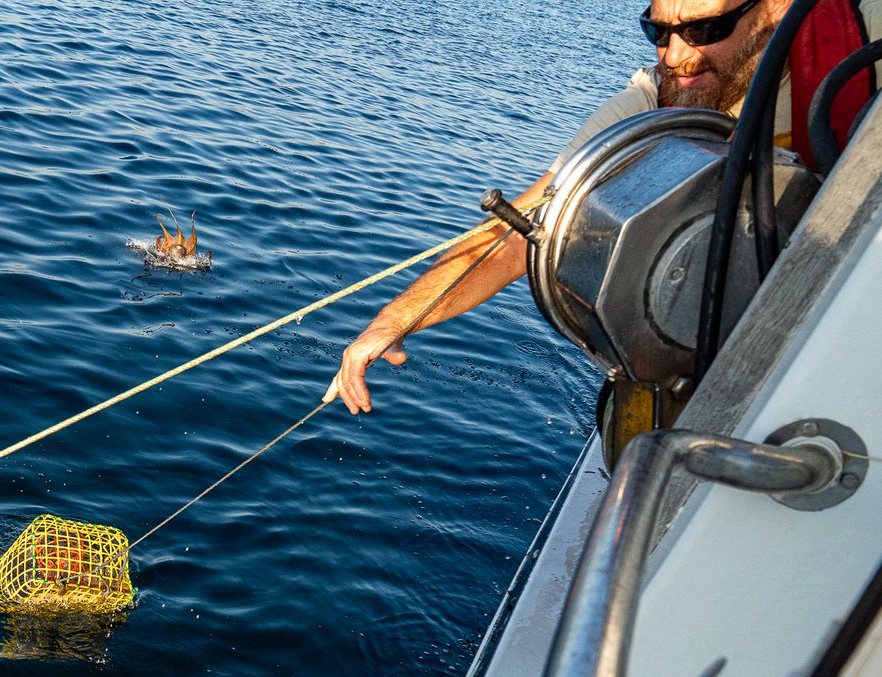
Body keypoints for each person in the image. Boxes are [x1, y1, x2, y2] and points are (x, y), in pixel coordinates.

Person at [323, 0, 881, 415]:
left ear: (774, 10)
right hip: (744, 344)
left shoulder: (864, 37)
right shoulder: (651, 101)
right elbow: (518, 231)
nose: (676, 56)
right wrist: (394, 321)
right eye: (658, 31)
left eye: (705, 30)